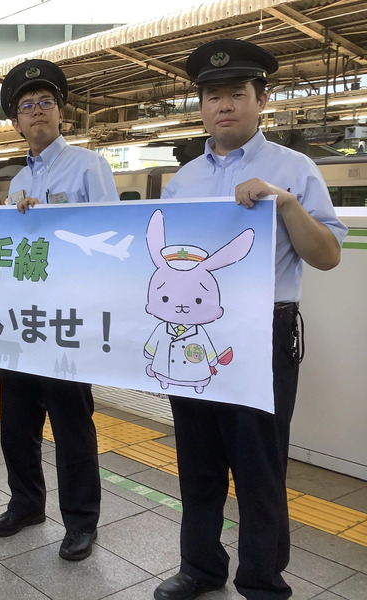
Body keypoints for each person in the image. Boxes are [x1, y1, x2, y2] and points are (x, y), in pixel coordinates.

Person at [153, 39, 347, 600]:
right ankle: (200, 568)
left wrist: (285, 204)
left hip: (263, 332)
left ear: (261, 99)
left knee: (259, 465)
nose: (224, 105)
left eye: (236, 93)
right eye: (212, 96)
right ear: (201, 107)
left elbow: (328, 255)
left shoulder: (294, 169)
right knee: (197, 459)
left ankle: (262, 581)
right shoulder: (183, 180)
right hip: (193, 330)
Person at [0, 59, 118, 561]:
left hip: (65, 320)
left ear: (61, 114)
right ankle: (26, 504)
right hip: (21, 320)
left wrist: (54, 221)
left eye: (46, 103)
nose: (37, 111)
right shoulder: (17, 180)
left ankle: (81, 521)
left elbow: (109, 237)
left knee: (71, 424)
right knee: (16, 423)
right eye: (26, 106)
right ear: (16, 122)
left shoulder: (89, 166)